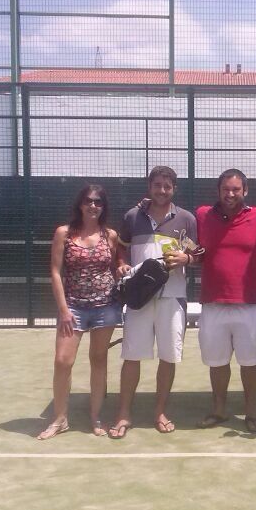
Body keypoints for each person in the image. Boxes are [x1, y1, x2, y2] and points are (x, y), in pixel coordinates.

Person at [108, 166, 197, 439]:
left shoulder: (186, 219)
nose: (162, 190)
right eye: (157, 185)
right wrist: (121, 264)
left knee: (168, 357)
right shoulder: (132, 216)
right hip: (139, 297)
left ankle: (159, 412)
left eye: (167, 186)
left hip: (173, 298)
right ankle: (124, 413)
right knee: (132, 356)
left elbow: (195, 252)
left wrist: (187, 258)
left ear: (174, 189)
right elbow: (121, 247)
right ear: (150, 186)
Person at [39, 184, 124, 440]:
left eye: (98, 202)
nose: (93, 206)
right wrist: (64, 309)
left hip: (105, 307)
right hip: (73, 307)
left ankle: (95, 416)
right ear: (80, 204)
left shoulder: (110, 235)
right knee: (62, 361)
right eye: (88, 201)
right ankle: (60, 419)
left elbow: (115, 265)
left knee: (98, 361)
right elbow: (55, 272)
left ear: (104, 206)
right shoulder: (64, 233)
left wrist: (122, 268)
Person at [195, 169, 256, 433]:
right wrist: (145, 204)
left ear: (245, 191)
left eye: (236, 189)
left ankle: (251, 413)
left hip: (249, 304)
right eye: (226, 189)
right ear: (218, 191)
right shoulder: (202, 215)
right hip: (213, 304)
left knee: (250, 362)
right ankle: (219, 411)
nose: (230, 194)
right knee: (217, 362)